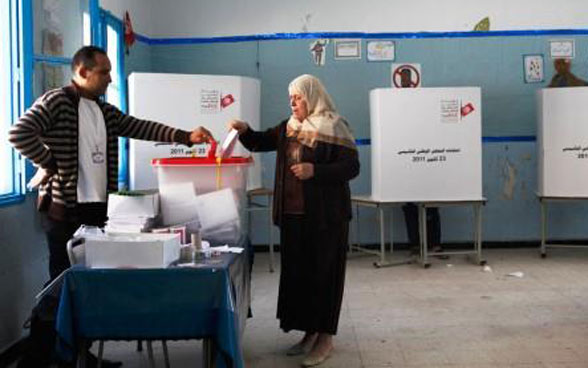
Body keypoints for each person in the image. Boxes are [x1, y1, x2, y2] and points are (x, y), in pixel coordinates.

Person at [8, 45, 214, 368]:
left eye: (109, 71)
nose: (109, 78)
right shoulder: (56, 101)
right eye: (103, 72)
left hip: (97, 211)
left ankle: (78, 354)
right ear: (82, 72)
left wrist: (186, 136)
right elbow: (18, 133)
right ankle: (39, 358)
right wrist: (49, 162)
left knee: (89, 289)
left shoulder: (105, 111)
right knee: (61, 286)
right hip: (65, 211)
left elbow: (140, 127)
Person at [229, 74, 359, 367]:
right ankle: (309, 333)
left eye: (298, 96)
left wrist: (316, 171)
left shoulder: (334, 126)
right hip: (293, 216)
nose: (293, 101)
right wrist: (245, 130)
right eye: (291, 96)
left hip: (327, 218)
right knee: (301, 278)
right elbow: (261, 141)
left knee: (325, 276)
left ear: (312, 97)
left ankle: (325, 338)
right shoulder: (289, 127)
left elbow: (352, 167)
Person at [398, 68, 444, 257]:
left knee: (431, 205)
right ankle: (415, 244)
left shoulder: (423, 101)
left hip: (426, 161)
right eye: (403, 78)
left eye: (407, 77)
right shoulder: (396, 103)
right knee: (410, 207)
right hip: (407, 161)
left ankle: (434, 243)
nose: (405, 81)